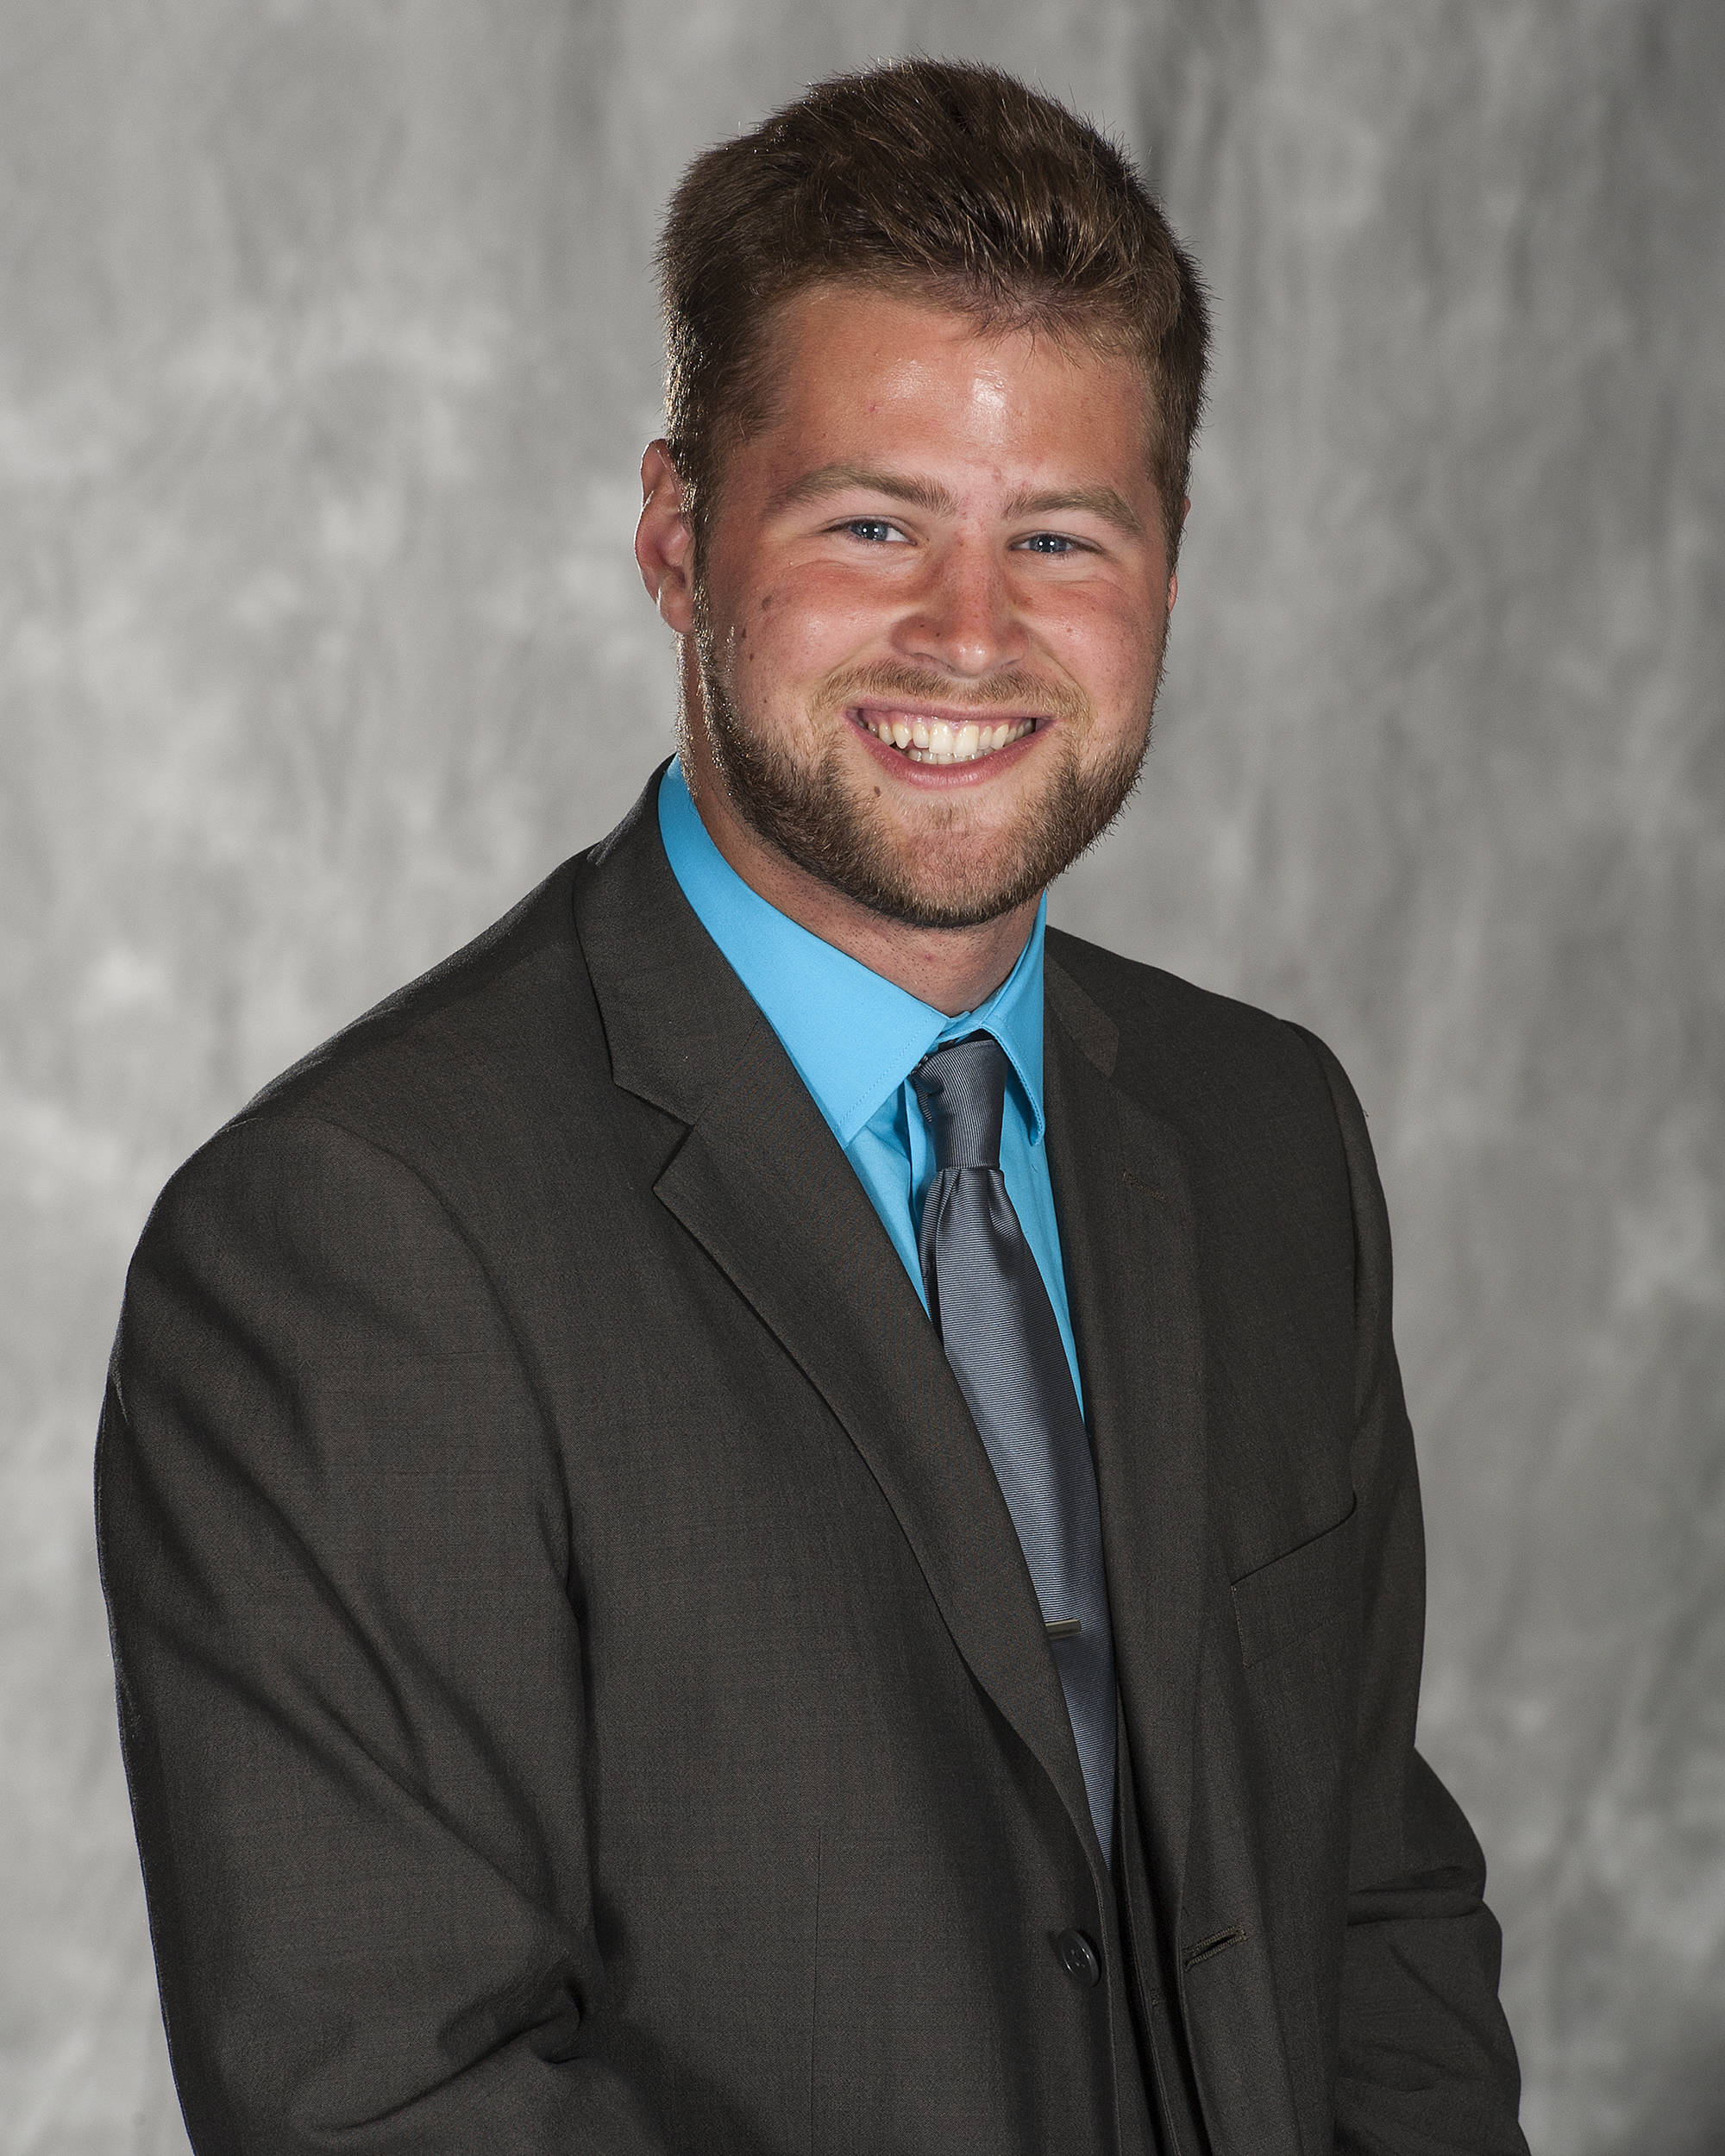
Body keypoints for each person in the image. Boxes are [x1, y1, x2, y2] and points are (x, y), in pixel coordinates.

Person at [97, 59, 1529, 2156]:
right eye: (872, 524)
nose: (970, 633)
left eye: (1059, 536)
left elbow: (1370, 1900)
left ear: (1168, 567)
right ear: (678, 539)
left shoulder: (1263, 1136)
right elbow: (392, 2100)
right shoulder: (350, 1242)